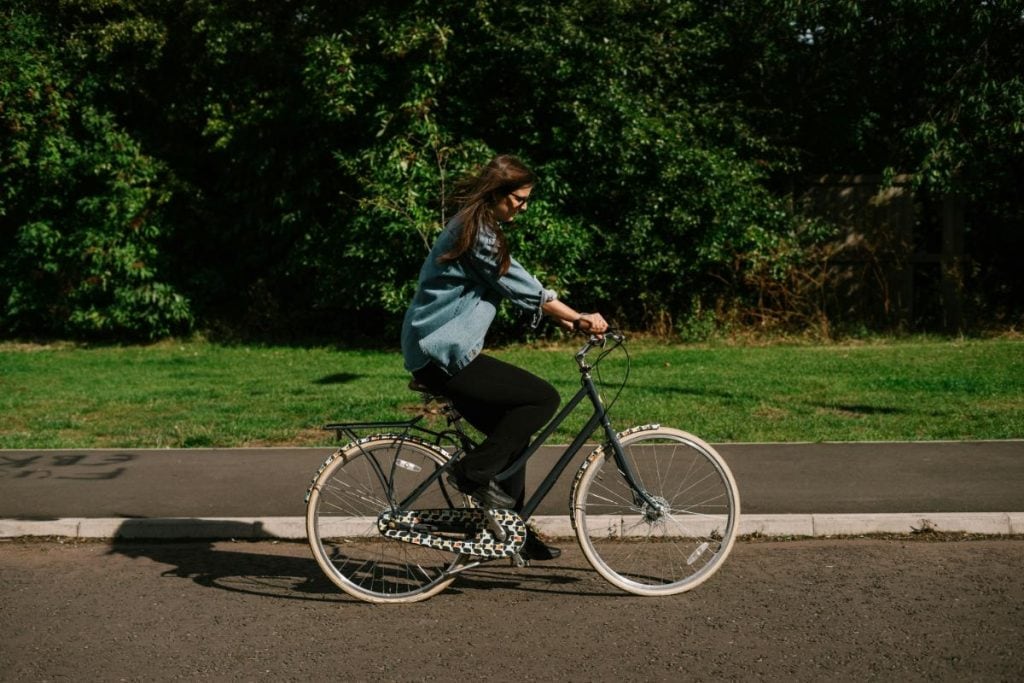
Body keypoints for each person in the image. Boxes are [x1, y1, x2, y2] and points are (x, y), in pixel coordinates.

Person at [401, 154, 608, 560]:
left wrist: (565, 320)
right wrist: (578, 316)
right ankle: (471, 474)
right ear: (497, 192)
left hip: (439, 350)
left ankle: (513, 529)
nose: (523, 206)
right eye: (519, 199)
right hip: (440, 352)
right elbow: (518, 282)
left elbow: (515, 281)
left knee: (514, 433)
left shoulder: (477, 225)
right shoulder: (476, 231)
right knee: (541, 399)